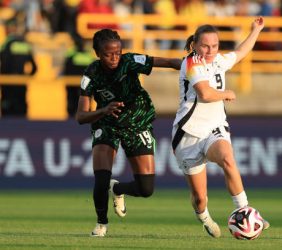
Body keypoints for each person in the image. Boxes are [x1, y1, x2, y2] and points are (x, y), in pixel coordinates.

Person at [75, 28, 181, 237]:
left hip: (137, 122)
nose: (114, 58)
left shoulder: (131, 61)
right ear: (97, 53)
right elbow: (80, 116)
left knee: (146, 189)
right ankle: (101, 223)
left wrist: (192, 67)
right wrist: (104, 110)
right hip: (107, 124)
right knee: (101, 179)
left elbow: (168, 62)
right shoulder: (91, 74)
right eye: (108, 54)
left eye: (117, 52)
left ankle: (118, 189)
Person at [171, 17, 269, 238]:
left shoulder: (218, 61)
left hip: (213, 127)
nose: (210, 50)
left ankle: (245, 211)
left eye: (214, 45)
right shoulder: (191, 62)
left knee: (227, 158)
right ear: (195, 44)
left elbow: (241, 52)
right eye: (205, 45)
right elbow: (205, 94)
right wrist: (227, 93)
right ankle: (204, 216)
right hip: (188, 135)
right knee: (199, 198)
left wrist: (256, 30)